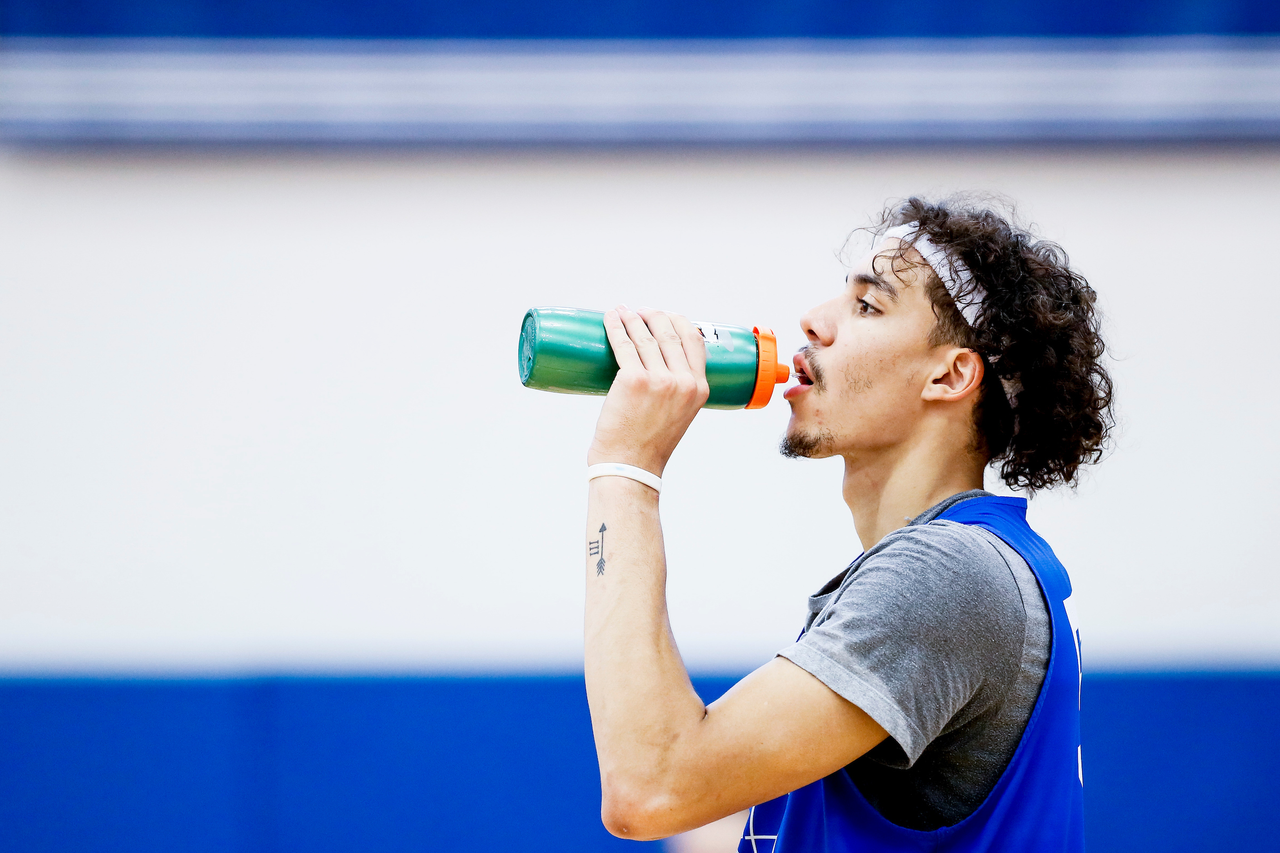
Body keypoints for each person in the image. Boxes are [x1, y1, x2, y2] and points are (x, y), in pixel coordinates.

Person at [580, 196, 1113, 852]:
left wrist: (626, 465)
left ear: (949, 375)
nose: (813, 320)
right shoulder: (974, 565)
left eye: (868, 305)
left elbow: (648, 785)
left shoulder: (946, 577)